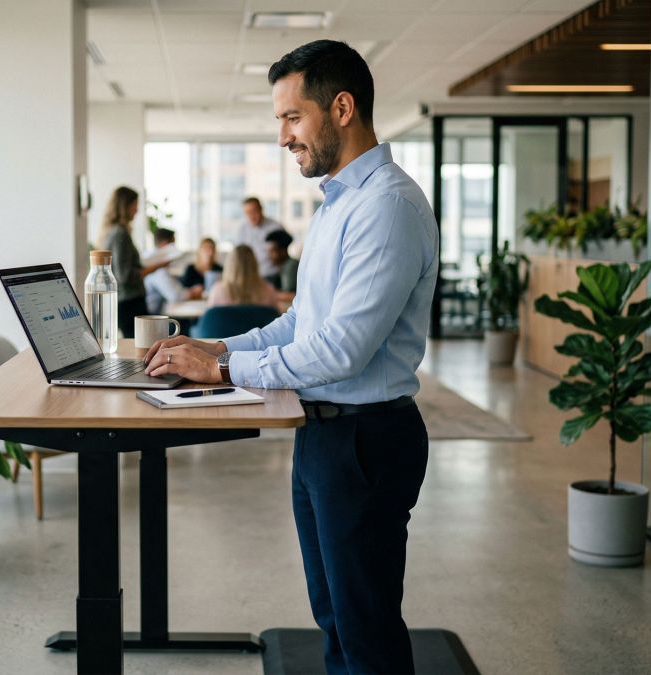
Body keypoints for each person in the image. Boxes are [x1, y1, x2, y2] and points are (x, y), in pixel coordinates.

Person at [142, 40, 438, 674]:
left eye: (291, 118)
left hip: (366, 438)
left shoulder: (386, 206)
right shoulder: (339, 204)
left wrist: (220, 371)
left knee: (366, 627)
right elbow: (302, 323)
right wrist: (218, 346)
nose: (283, 137)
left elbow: (341, 350)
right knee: (333, 613)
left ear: (341, 108)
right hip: (324, 434)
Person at [99, 186, 170, 338]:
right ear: (125, 206)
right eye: (134, 205)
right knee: (142, 345)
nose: (137, 210)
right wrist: (157, 266)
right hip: (129, 302)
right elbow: (124, 276)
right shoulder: (120, 234)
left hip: (127, 301)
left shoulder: (114, 232)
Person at [143, 228, 201, 314]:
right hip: (151, 317)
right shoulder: (157, 269)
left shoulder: (151, 261)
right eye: (173, 244)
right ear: (165, 245)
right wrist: (192, 292)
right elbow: (175, 296)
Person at [207, 244, 279, 309]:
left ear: (229, 265)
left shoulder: (217, 291)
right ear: (254, 264)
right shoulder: (269, 292)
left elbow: (210, 320)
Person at [239, 196, 285, 277]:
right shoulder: (243, 229)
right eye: (248, 213)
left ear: (261, 209)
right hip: (250, 275)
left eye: (254, 211)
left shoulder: (275, 227)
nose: (251, 216)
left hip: (272, 274)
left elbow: (284, 253)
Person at [263, 229, 300, 302]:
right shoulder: (285, 266)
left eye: (272, 251)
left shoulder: (291, 267)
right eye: (268, 252)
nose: (268, 256)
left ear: (283, 251)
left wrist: (267, 294)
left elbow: (291, 295)